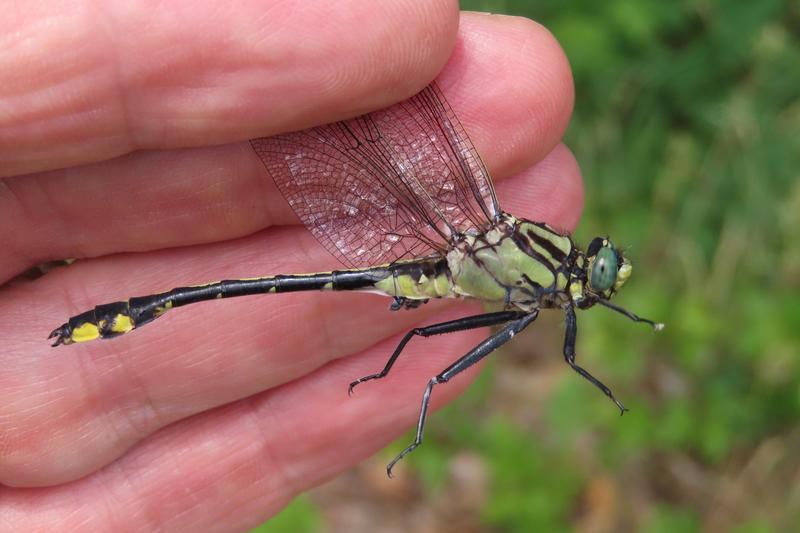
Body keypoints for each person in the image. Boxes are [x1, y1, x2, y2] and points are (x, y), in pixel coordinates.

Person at [0, 2, 582, 529]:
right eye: (589, 276)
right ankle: (150, 306)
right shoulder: (529, 278)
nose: (584, 282)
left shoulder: (528, 273)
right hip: (438, 259)